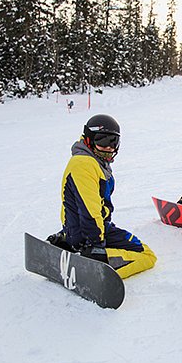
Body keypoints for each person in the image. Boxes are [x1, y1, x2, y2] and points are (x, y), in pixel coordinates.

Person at [48, 114, 156, 279]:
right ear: (89, 139)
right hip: (88, 233)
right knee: (147, 256)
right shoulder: (84, 164)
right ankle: (92, 268)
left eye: (114, 142)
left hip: (81, 230)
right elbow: (89, 210)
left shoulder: (93, 162)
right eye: (103, 141)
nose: (109, 147)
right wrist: (96, 247)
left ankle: (69, 242)